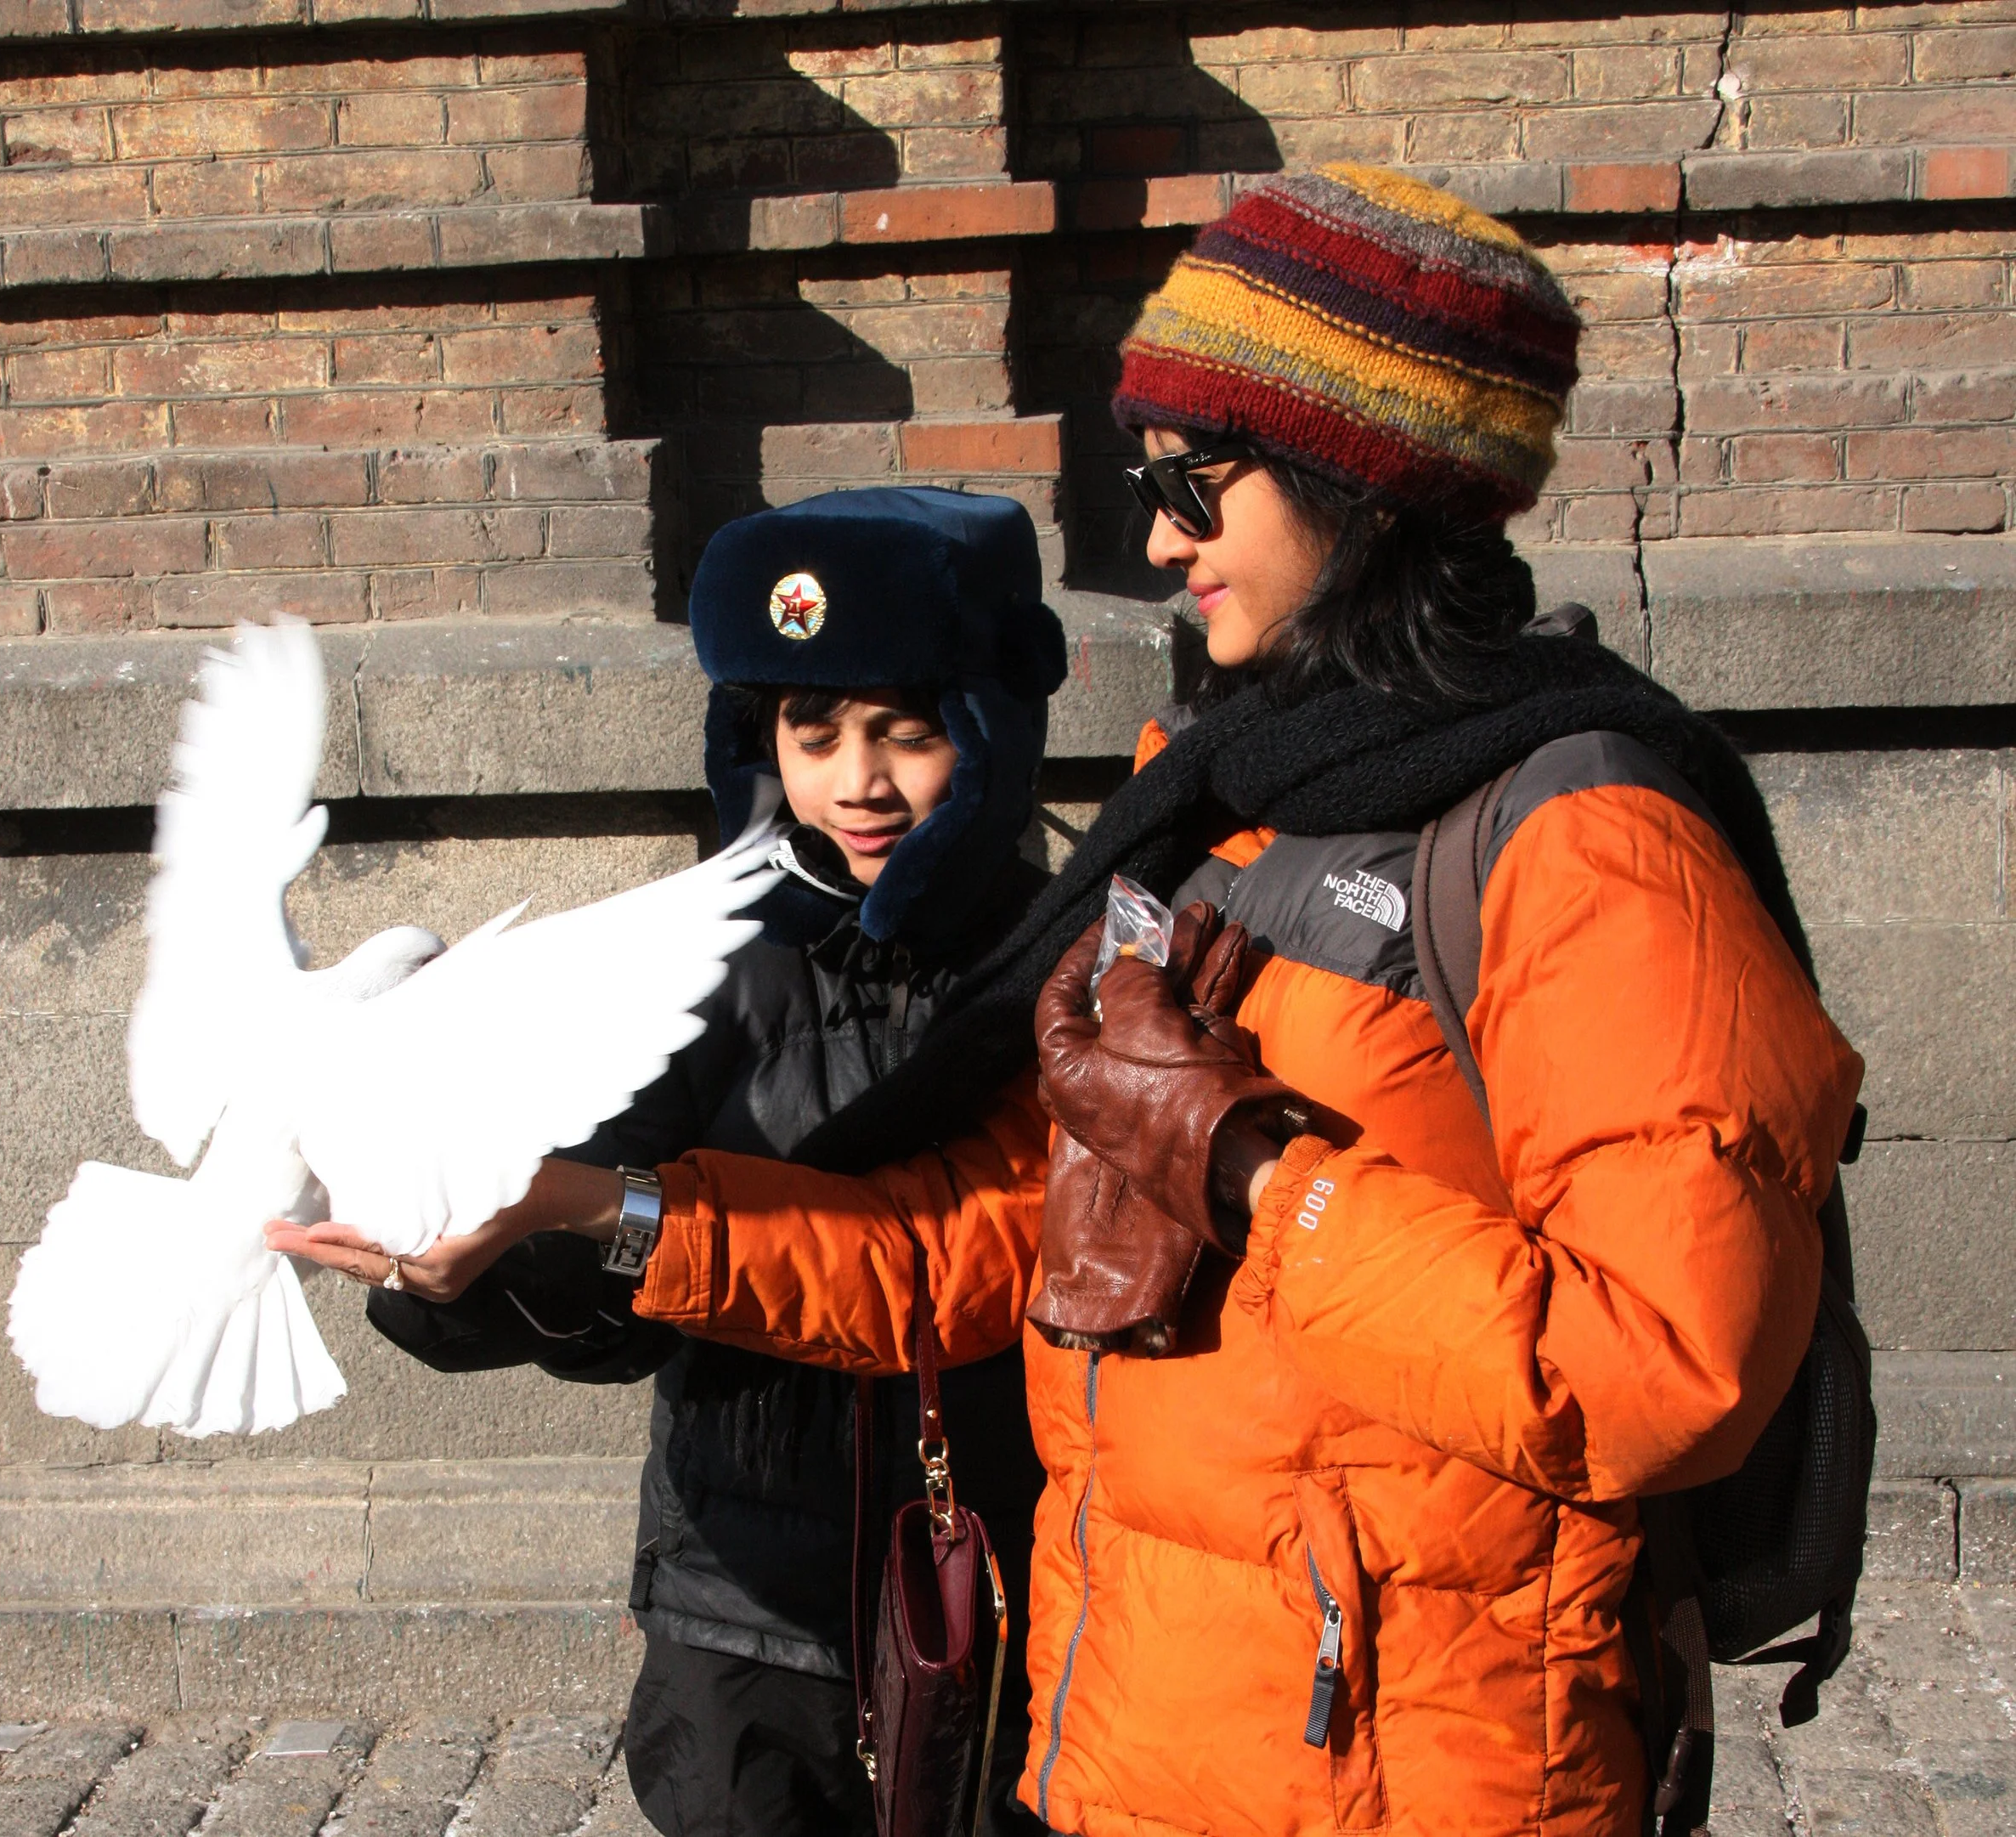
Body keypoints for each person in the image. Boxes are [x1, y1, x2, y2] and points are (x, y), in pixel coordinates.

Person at [557, 166, 1866, 1837]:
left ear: (1364, 481)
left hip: (1414, 1778)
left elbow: (1650, 1367)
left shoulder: (1589, 841)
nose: (1159, 534)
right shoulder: (1213, 799)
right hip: (1122, 1758)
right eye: (1143, 478)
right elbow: (965, 1243)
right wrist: (581, 1218)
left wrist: (1246, 1164)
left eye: (1198, 477)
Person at [268, 484, 1064, 1837]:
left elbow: (968, 1269)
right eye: (814, 735)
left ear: (988, 728)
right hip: (742, 1588)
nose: (857, 781)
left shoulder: (1062, 964)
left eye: (907, 732)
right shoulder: (699, 972)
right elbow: (604, 1295)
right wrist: (471, 1250)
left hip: (997, 1563)